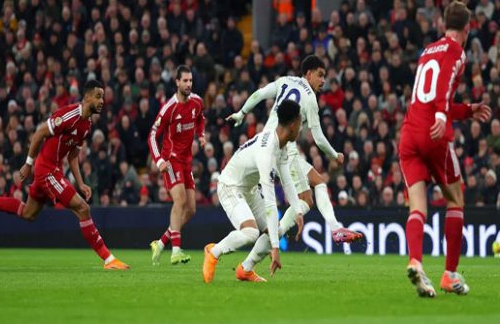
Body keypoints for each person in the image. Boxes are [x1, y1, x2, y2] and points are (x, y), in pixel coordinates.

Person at [0, 80, 129, 270]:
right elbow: (39, 134)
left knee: (28, 213)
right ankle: (108, 259)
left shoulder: (87, 125)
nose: (102, 101)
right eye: (98, 96)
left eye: (103, 97)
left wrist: (81, 183)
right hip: (46, 170)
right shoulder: (68, 115)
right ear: (87, 97)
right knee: (83, 208)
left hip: (53, 170)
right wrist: (28, 164)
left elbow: (73, 156)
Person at [398, 1, 492, 297]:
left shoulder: (428, 51)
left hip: (409, 134)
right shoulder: (456, 52)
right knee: (456, 199)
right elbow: (442, 89)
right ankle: (450, 274)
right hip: (434, 135)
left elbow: (433, 96)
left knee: (417, 207)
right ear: (467, 28)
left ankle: (416, 262)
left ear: (443, 25)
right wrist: (441, 116)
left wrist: (467, 110)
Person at [227, 55, 362, 250]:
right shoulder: (310, 99)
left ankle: (331, 228)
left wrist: (241, 113)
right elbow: (319, 138)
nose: (323, 80)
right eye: (320, 75)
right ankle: (324, 230)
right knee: (306, 199)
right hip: (283, 148)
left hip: (264, 143)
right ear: (308, 74)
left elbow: (260, 94)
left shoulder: (285, 81)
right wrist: (335, 155)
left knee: (317, 184)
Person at [203, 100, 303, 283]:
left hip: (249, 189)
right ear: (292, 125)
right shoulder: (267, 153)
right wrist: (275, 248)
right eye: (300, 122)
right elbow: (270, 203)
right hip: (230, 186)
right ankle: (213, 252)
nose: (301, 128)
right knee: (250, 232)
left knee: (277, 230)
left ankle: (245, 269)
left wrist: (298, 211)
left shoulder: (280, 144)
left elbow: (287, 180)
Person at [148, 65, 206, 265]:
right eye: (185, 81)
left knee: (191, 210)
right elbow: (152, 136)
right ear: (177, 82)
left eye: (191, 81)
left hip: (187, 161)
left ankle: (161, 243)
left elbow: (200, 119)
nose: (189, 84)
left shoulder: (197, 102)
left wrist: (201, 135)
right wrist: (159, 160)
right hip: (171, 160)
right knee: (180, 201)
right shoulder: (169, 109)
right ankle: (176, 251)